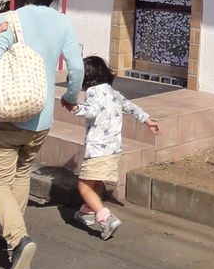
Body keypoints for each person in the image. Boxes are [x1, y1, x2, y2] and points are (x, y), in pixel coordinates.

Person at [0, 0, 83, 269]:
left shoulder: (11, 19)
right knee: (21, 173)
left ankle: (17, 238)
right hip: (41, 118)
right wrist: (70, 97)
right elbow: (76, 69)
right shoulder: (63, 23)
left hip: (8, 115)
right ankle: (9, 236)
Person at [62, 55, 161, 239]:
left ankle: (106, 218)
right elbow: (129, 106)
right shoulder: (112, 92)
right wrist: (147, 120)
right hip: (113, 148)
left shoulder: (92, 92)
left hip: (98, 149)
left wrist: (74, 108)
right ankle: (88, 211)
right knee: (95, 180)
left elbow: (92, 111)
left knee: (84, 185)